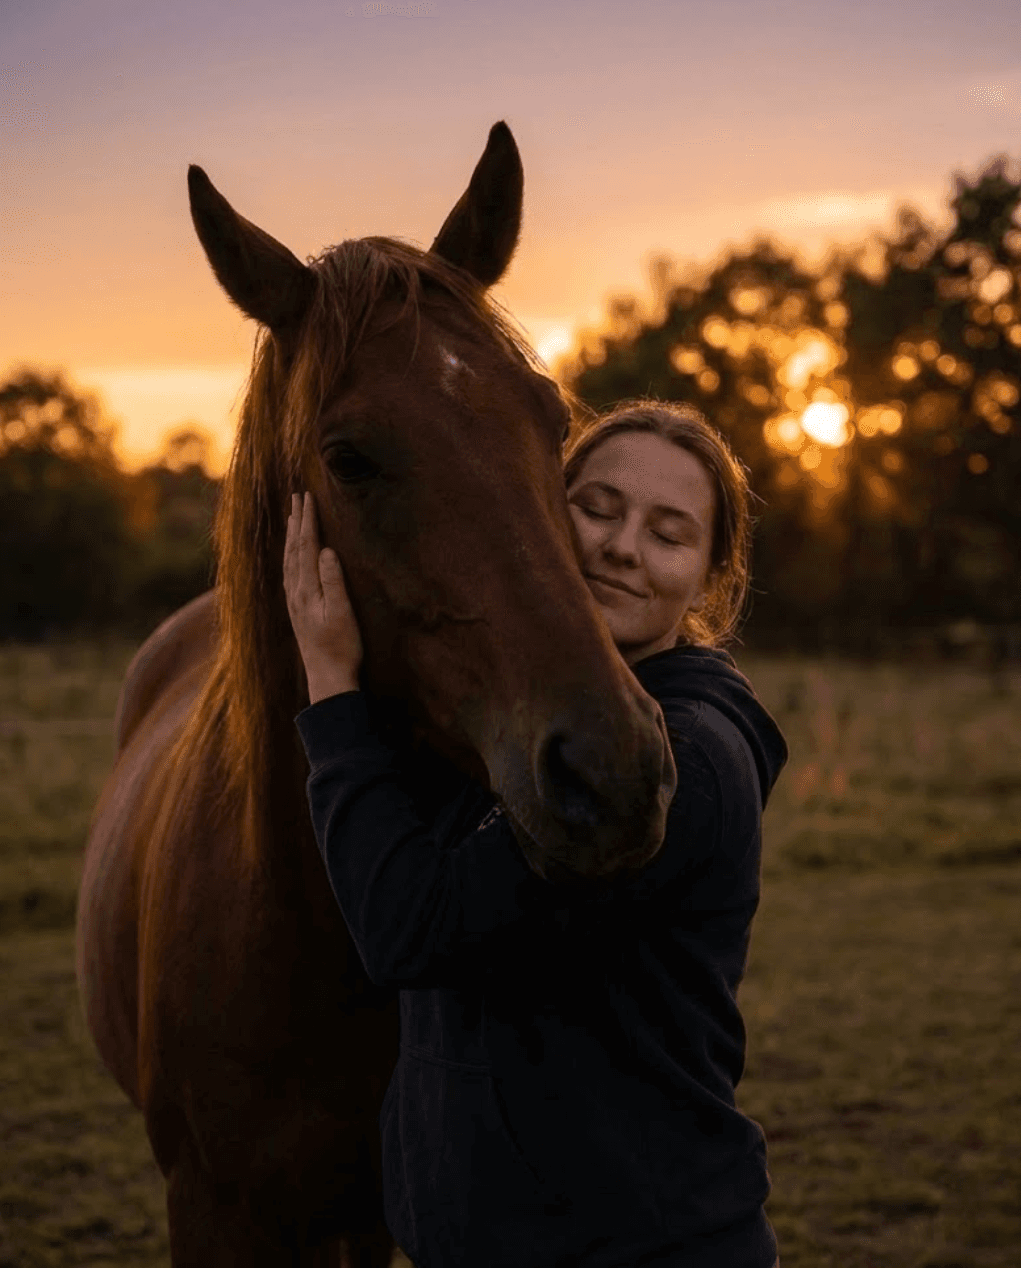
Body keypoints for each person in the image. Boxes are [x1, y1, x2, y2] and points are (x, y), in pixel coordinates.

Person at [284, 396, 789, 1268]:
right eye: (596, 509)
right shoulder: (537, 716)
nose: (622, 547)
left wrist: (332, 686)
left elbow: (412, 928)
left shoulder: (680, 762)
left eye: (668, 534)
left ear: (709, 579)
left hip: (637, 1246)